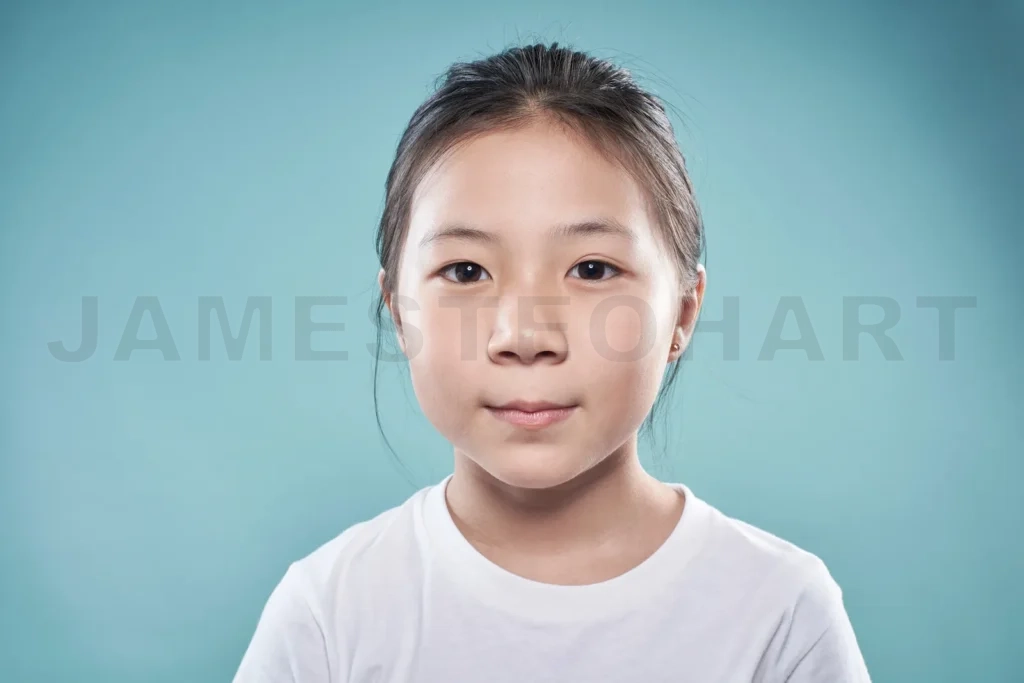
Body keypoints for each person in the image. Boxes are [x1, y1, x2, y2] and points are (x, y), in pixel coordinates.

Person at [233, 42, 871, 682]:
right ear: (398, 311)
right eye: (465, 271)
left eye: (592, 269)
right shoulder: (329, 613)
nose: (525, 334)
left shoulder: (780, 612)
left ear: (682, 311)